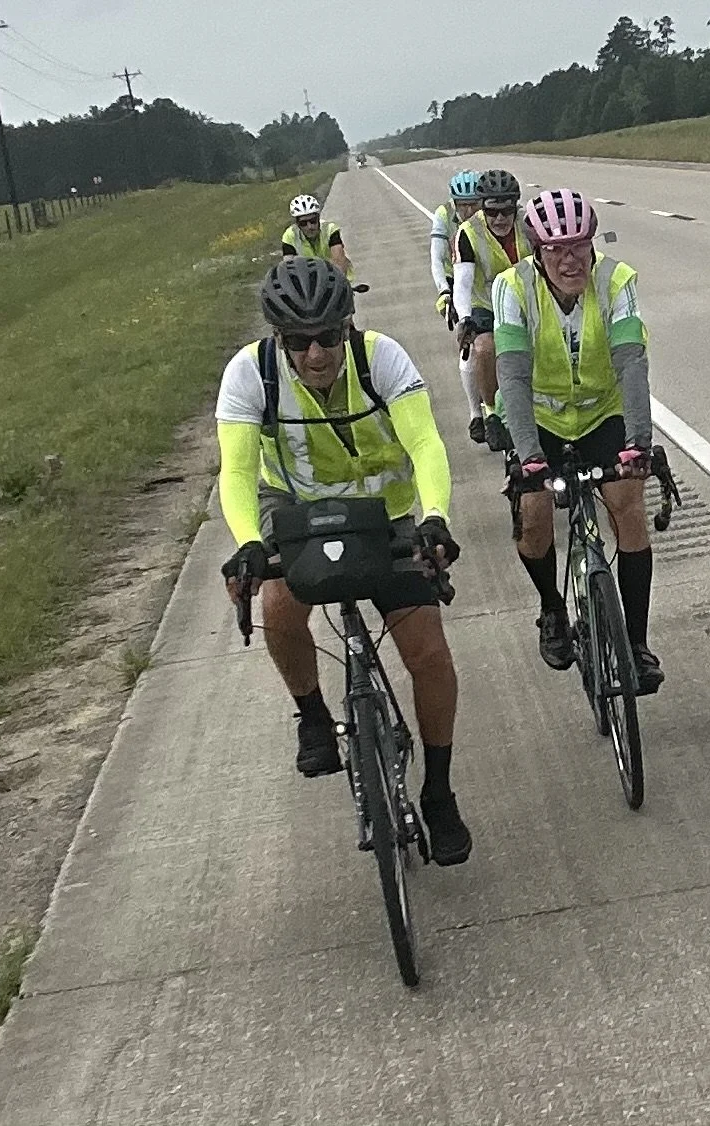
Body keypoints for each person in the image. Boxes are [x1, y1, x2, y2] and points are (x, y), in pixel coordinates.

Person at [215, 256, 472, 866]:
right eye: (298, 341)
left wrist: (435, 516)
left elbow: (425, 443)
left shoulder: (382, 359)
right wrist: (248, 543)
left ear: (348, 326)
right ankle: (312, 715)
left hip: (386, 513)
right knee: (279, 601)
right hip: (296, 510)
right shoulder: (250, 373)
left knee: (429, 656)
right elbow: (238, 470)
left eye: (328, 336)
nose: (315, 354)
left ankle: (438, 792)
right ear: (278, 338)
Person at [493, 189, 664, 695]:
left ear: (593, 244)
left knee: (628, 507)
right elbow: (512, 376)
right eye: (556, 250)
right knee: (534, 514)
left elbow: (631, 361)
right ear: (536, 252)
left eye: (579, 246)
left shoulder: (617, 280)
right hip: (539, 416)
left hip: (601, 411)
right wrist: (529, 457)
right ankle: (551, 608)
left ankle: (636, 645)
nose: (570, 261)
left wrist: (638, 443)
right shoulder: (512, 288)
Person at [452, 169, 529, 452]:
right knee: (484, 348)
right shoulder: (468, 232)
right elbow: (462, 284)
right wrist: (465, 319)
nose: (499, 219)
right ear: (482, 207)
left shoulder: (530, 224)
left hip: (526, 302)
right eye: (492, 212)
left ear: (516, 207)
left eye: (506, 211)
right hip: (486, 304)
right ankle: (491, 413)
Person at [430, 170, 484, 443]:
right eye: (462, 205)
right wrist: (444, 291)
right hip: (461, 283)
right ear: (454, 204)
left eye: (474, 204)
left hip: (488, 282)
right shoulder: (443, 215)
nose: (469, 211)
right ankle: (476, 413)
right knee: (468, 349)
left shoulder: (491, 217)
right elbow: (436, 259)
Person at [281, 194, 353, 280]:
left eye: (313, 221)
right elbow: (289, 269)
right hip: (309, 282)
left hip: (336, 278)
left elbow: (339, 262)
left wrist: (338, 281)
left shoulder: (330, 229)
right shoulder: (289, 236)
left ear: (318, 218)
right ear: (297, 224)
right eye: (303, 223)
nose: (309, 227)